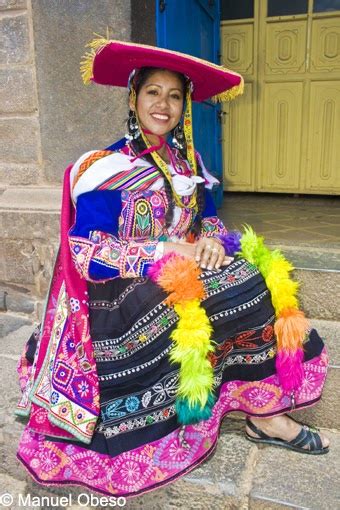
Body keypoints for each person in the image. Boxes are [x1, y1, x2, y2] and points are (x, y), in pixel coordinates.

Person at [15, 37, 329, 498]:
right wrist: (168, 251)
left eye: (175, 95)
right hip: (117, 295)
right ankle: (173, 415)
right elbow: (86, 252)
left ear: (184, 105)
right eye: (153, 93)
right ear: (133, 98)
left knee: (247, 275)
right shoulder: (105, 169)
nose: (163, 104)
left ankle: (264, 413)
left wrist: (208, 240)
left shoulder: (188, 163)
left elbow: (206, 219)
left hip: (174, 278)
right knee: (215, 293)